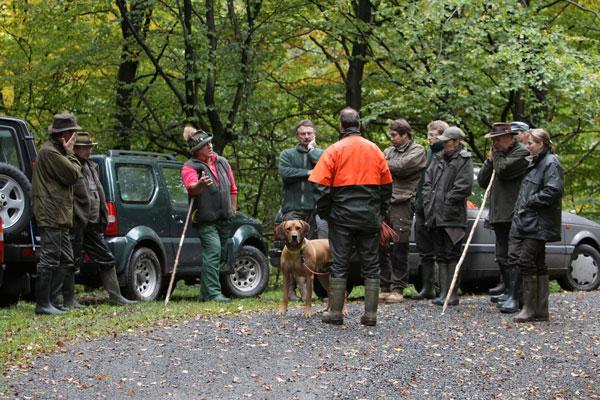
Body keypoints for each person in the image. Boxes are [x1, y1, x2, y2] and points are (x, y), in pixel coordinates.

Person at [309, 107, 392, 326]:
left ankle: (335, 313)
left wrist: (327, 213)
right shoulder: (375, 150)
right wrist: (380, 213)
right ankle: (371, 315)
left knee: (339, 263)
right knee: (371, 264)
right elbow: (387, 187)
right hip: (369, 217)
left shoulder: (334, 150)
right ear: (359, 125)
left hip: (341, 217)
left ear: (341, 125)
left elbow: (319, 187)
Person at [63, 132, 137, 306]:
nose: (89, 150)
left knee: (106, 258)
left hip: (93, 222)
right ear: (76, 149)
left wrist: (103, 215)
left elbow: (97, 193)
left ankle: (116, 296)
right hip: (76, 221)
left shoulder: (91, 166)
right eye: (85, 148)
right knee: (70, 260)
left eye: (89, 147)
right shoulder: (69, 167)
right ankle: (69, 299)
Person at [510, 129, 563, 322]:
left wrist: (531, 202)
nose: (527, 146)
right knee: (538, 263)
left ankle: (530, 308)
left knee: (526, 260)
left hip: (539, 222)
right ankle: (540, 310)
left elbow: (553, 190)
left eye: (531, 143)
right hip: (531, 221)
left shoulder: (550, 163)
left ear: (541, 144)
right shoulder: (536, 163)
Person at [181, 127, 238, 302]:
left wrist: (233, 209)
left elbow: (233, 188)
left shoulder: (222, 162)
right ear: (197, 149)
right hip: (206, 219)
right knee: (213, 251)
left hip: (225, 217)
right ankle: (213, 293)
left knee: (220, 255)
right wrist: (200, 185)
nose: (210, 146)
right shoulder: (190, 167)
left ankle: (205, 294)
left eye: (210, 142)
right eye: (206, 144)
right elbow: (191, 188)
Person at [31, 113, 81, 314]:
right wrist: (70, 153)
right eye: (72, 133)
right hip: (50, 212)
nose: (74, 138)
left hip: (59, 213)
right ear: (63, 135)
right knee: (49, 258)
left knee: (67, 259)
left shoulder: (56, 151)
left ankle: (53, 300)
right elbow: (73, 174)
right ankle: (43, 304)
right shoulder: (50, 153)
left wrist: (68, 153)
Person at [477, 123, 529, 313]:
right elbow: (482, 181)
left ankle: (517, 297)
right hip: (498, 213)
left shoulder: (521, 153)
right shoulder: (498, 156)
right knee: (501, 256)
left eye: (497, 139)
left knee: (513, 256)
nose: (495, 143)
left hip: (513, 213)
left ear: (511, 137)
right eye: (493, 140)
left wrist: (496, 157)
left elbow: (505, 171)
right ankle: (509, 292)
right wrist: (489, 161)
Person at [422, 126, 473, 307]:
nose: (445, 144)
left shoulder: (464, 159)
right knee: (440, 255)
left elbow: (464, 186)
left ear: (457, 142)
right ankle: (443, 292)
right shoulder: (437, 158)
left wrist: (446, 201)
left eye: (448, 141)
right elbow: (427, 183)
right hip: (435, 215)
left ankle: (451, 294)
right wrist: (429, 202)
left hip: (453, 216)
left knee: (452, 254)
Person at [379, 119, 426, 304]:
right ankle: (384, 285)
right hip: (385, 200)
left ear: (405, 134)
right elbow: (382, 168)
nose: (392, 139)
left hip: (404, 201)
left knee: (400, 244)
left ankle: (398, 287)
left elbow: (403, 167)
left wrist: (385, 165)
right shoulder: (388, 151)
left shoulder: (418, 150)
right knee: (381, 243)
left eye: (395, 135)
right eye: (391, 135)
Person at [278, 119, 324, 301]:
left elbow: (324, 168)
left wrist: (313, 152)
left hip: (314, 208)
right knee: (290, 249)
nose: (306, 137)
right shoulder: (287, 154)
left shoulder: (320, 153)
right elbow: (285, 173)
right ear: (297, 136)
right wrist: (307, 173)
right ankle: (290, 290)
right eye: (302, 134)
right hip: (292, 208)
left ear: (314, 135)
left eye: (309, 133)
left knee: (309, 250)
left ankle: (309, 291)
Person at [409, 120, 448, 301]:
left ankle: (443, 288)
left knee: (440, 248)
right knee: (424, 248)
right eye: (429, 134)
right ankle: (427, 287)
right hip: (421, 205)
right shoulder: (429, 152)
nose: (431, 138)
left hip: (436, 207)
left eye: (435, 135)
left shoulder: (445, 153)